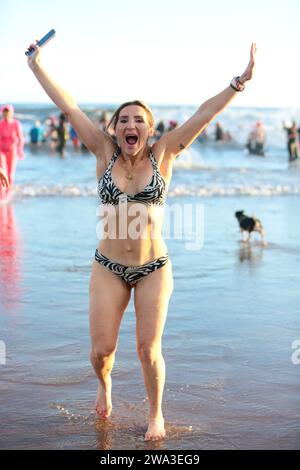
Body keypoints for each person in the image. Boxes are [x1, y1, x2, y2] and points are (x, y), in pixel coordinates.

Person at [26, 37, 257, 441]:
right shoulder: (102, 151)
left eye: (139, 120)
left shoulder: (165, 154)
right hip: (108, 268)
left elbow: (203, 114)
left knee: (148, 349)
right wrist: (36, 66)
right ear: (114, 128)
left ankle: (156, 415)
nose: (131, 126)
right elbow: (69, 106)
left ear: (150, 129)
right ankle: (105, 383)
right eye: (124, 120)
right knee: (101, 352)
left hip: (153, 268)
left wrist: (239, 82)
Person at [0, 104, 24, 195]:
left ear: (11, 112)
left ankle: (8, 192)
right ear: (2, 112)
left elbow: (20, 138)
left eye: (8, 111)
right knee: (3, 172)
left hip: (12, 151)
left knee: (10, 174)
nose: (6, 113)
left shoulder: (16, 124)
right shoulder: (0, 124)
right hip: (1, 151)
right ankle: (2, 192)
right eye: (5, 111)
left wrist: (20, 150)